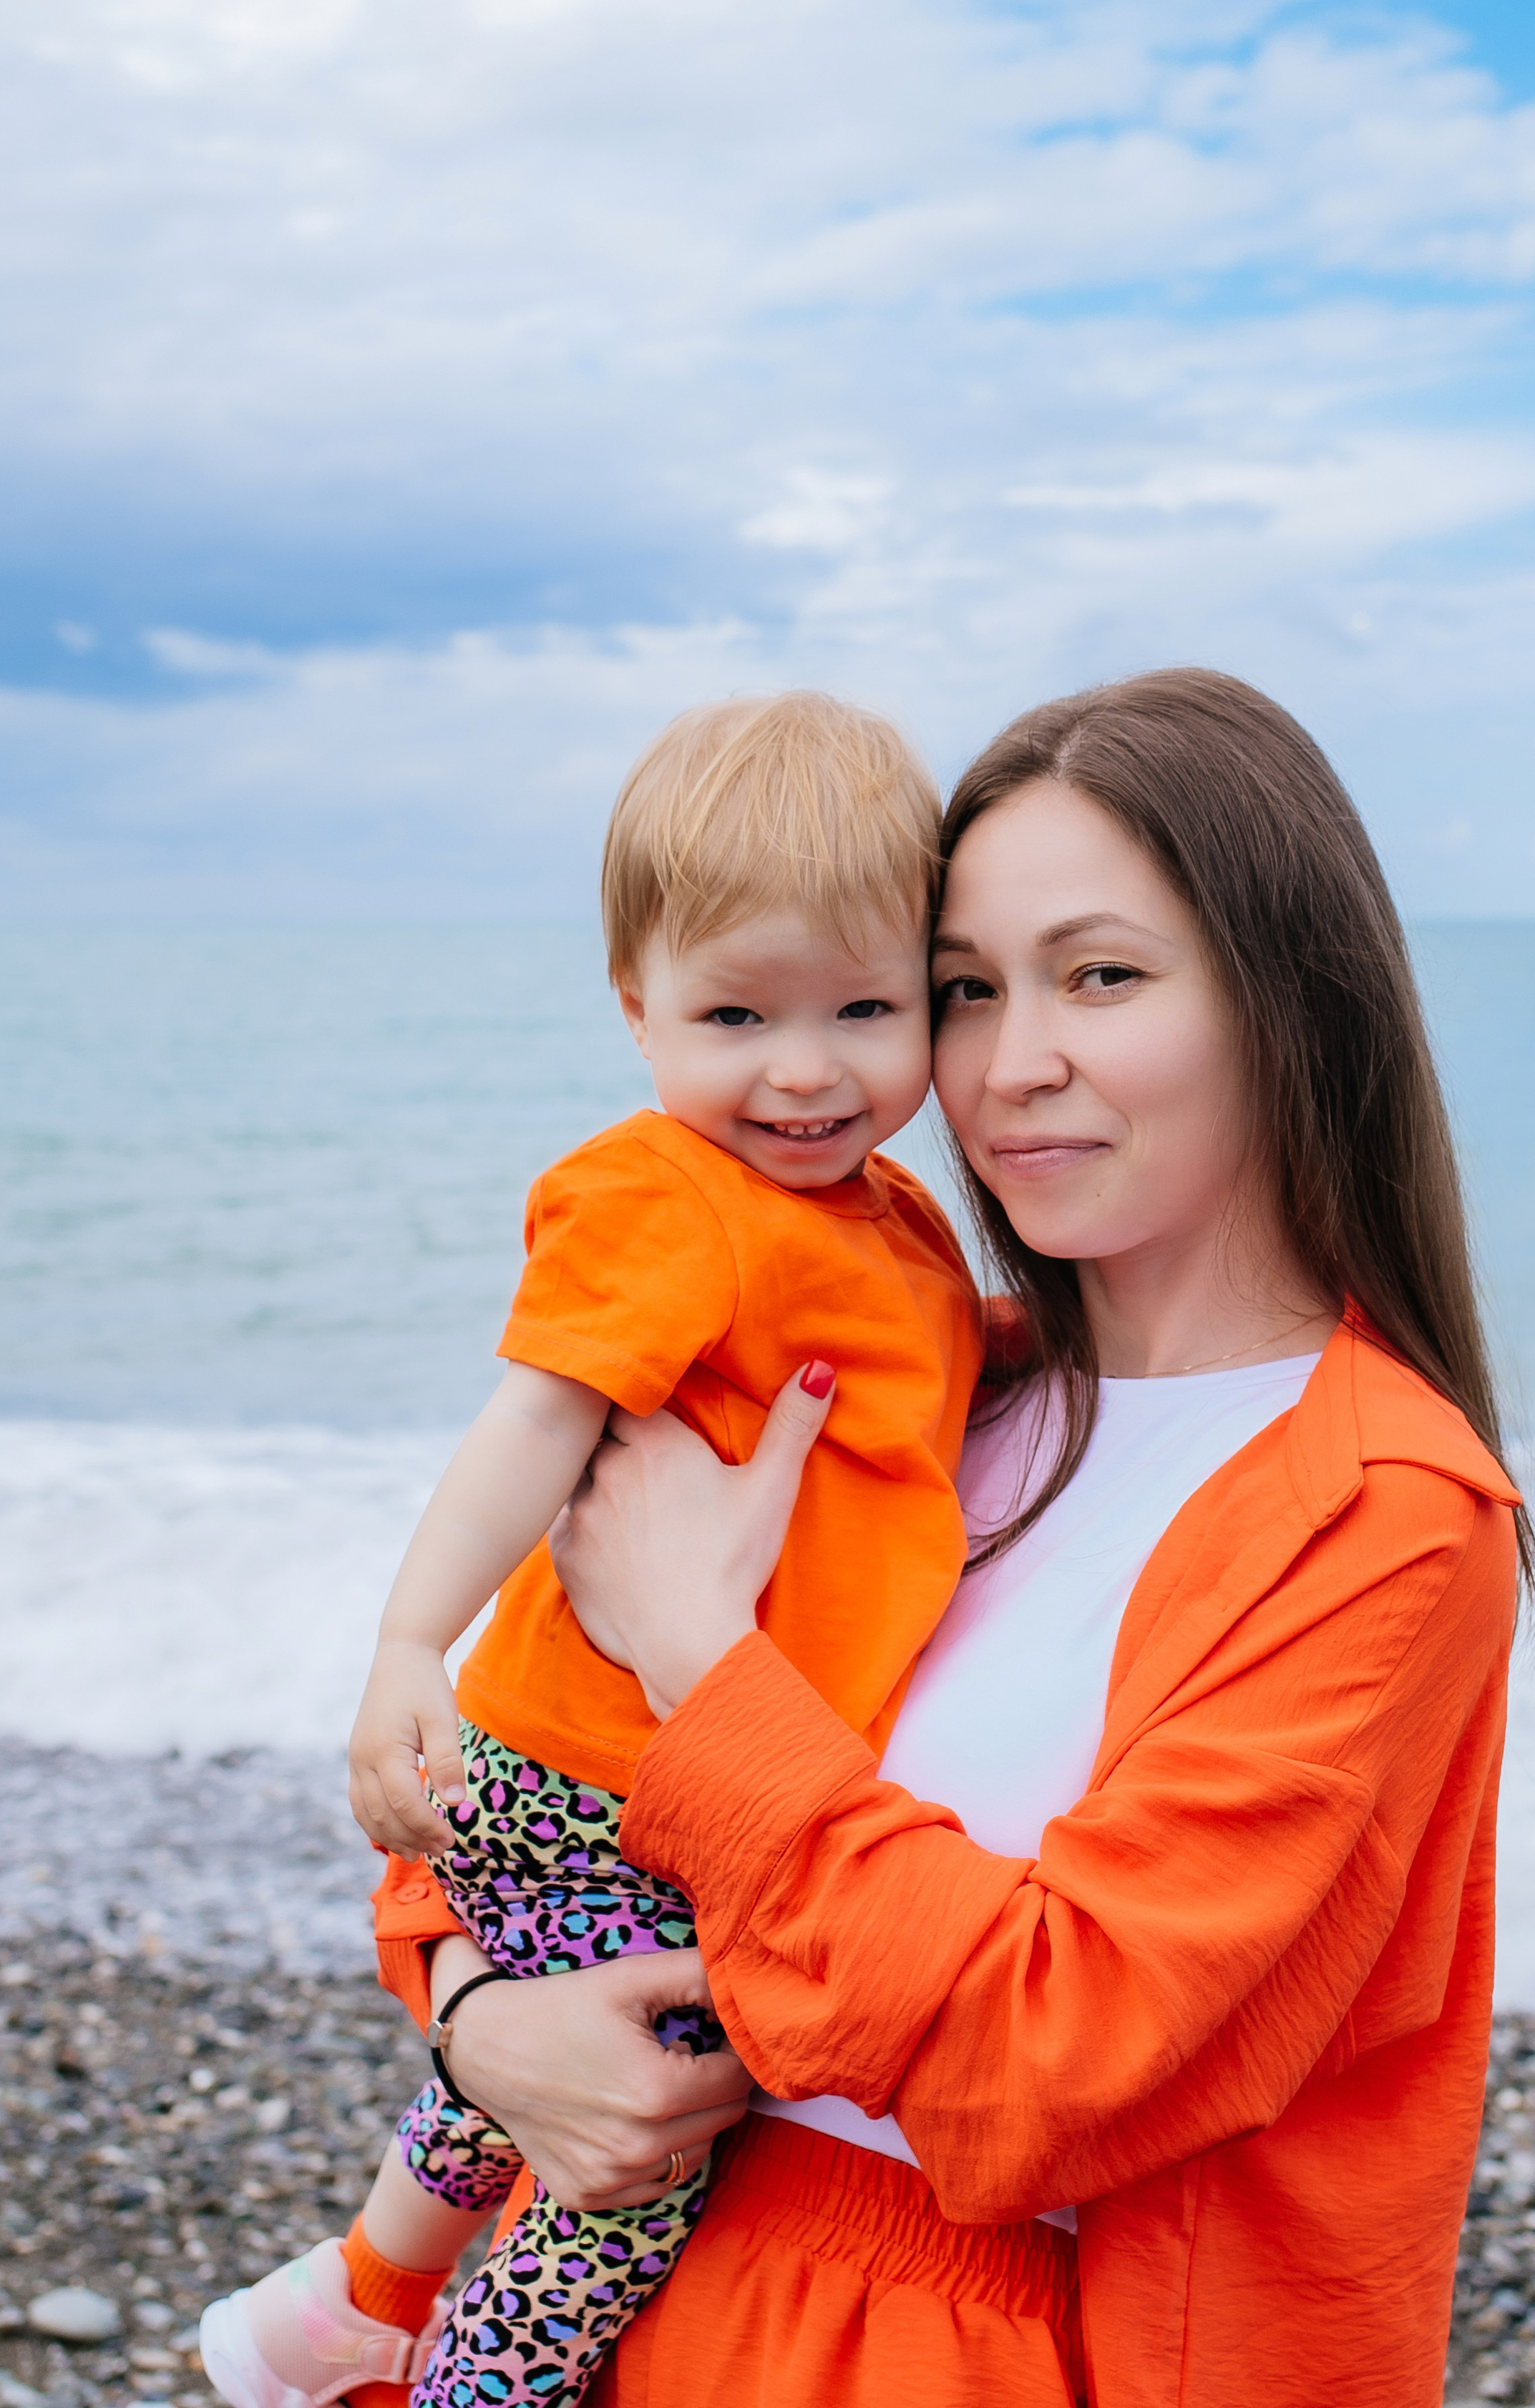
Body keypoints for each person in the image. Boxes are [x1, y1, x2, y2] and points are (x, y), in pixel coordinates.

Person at [372, 669, 1533, 2407]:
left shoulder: (1380, 1515)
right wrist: (484, 2024)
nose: (1011, 1063)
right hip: (644, 2291)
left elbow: (1050, 2055)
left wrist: (707, 1653)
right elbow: (539, 1778)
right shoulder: (910, 1384)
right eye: (962, 991)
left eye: (1103, 976)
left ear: (1292, 1000)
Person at [199, 691, 983, 2408]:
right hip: (599, 1770)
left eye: (866, 1007)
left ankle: (356, 2297)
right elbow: (533, 1427)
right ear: (637, 1010)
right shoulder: (665, 1197)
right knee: (630, 2164)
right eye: (734, 1012)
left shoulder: (894, 1220)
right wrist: (409, 1648)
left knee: (549, 2053)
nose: (804, 1067)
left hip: (671, 1769)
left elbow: (940, 1388)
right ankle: (463, 2380)